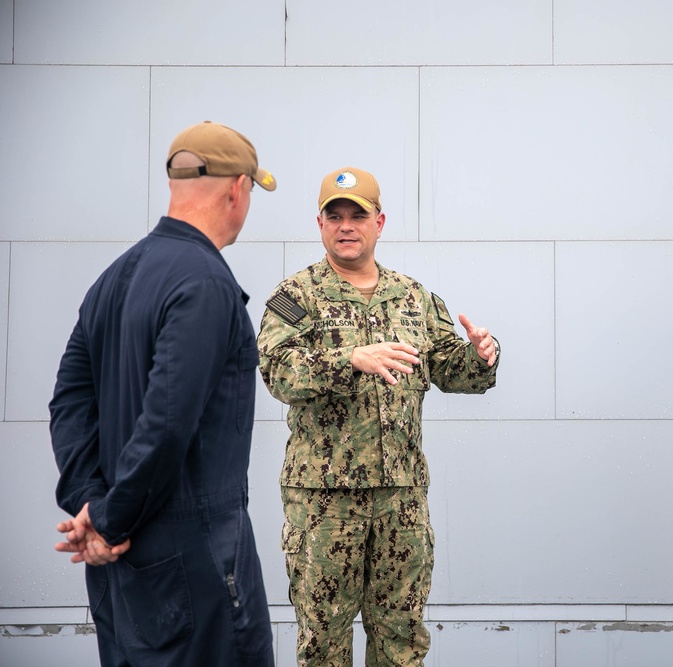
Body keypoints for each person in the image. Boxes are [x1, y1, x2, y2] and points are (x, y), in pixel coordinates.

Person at [49, 121, 277, 666]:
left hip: (122, 574)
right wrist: (107, 521)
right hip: (196, 565)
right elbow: (168, 423)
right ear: (237, 189)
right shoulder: (204, 282)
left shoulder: (113, 278)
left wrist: (91, 503)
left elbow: (68, 403)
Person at [257, 166, 499, 667]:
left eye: (358, 216)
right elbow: (277, 371)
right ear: (320, 224)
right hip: (324, 502)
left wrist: (481, 355)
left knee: (402, 639)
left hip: (401, 499)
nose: (347, 226)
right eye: (335, 216)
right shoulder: (295, 297)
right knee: (323, 641)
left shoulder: (413, 297)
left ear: (379, 222)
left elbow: (451, 368)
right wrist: (349, 360)